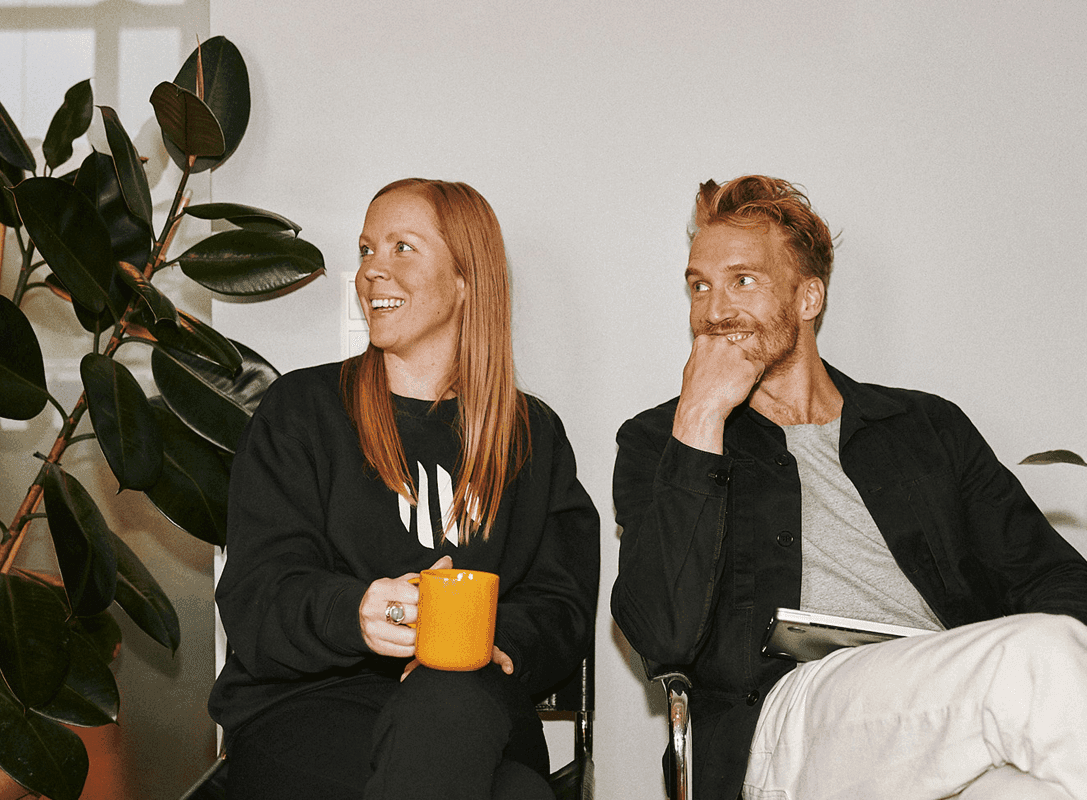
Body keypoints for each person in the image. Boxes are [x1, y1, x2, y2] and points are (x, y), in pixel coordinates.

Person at [611, 174, 1087, 800]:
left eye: (743, 280)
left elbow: (1054, 579)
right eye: (699, 285)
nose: (713, 310)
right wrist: (700, 419)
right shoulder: (662, 440)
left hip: (949, 709)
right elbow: (660, 635)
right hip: (787, 720)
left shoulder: (925, 427)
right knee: (1040, 658)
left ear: (808, 298)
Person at [209, 178, 599, 800]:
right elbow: (258, 595)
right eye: (367, 250)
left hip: (478, 710)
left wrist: (485, 640)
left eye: (402, 248)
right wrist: (356, 612)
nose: (372, 273)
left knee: (450, 691)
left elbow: (563, 605)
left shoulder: (532, 435)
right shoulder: (302, 411)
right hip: (311, 709)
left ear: (467, 279)